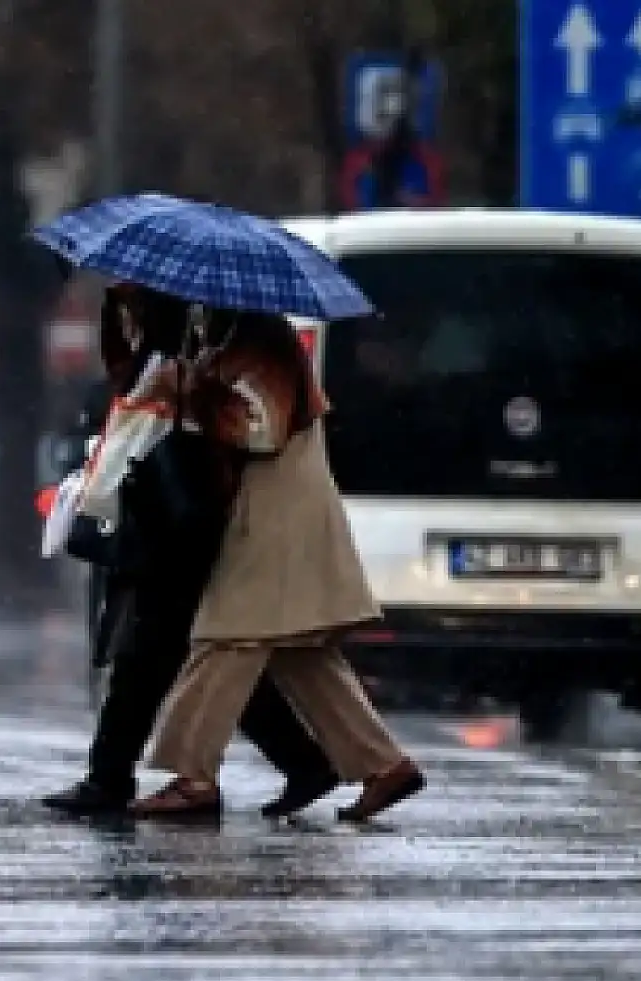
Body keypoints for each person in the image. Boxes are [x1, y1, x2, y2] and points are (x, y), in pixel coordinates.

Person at [43, 285, 340, 821]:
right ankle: (299, 760)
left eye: (136, 301)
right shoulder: (183, 337)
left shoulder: (238, 337)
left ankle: (114, 777)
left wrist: (192, 388)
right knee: (182, 654)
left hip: (188, 515)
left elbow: (258, 429)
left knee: (154, 652)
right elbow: (128, 388)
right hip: (160, 510)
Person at [129, 308, 424, 822]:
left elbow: (262, 431)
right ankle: (384, 765)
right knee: (300, 652)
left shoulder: (265, 343)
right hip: (273, 509)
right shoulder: (230, 340)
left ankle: (192, 776)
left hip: (276, 513)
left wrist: (190, 390)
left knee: (225, 637)